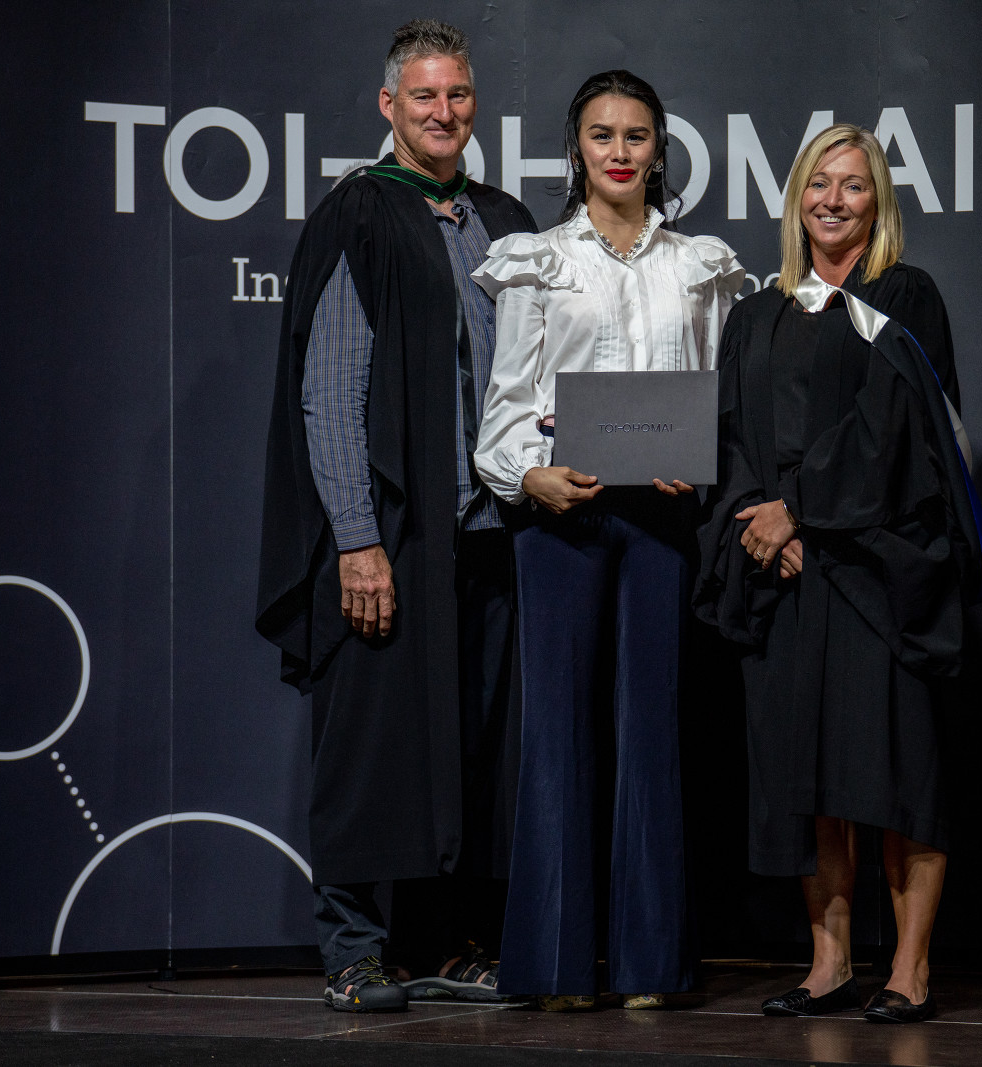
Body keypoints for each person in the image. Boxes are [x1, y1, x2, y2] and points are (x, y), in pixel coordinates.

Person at [255, 19, 537, 1014]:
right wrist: (357, 539)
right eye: (424, 96)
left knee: (467, 752)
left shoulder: (505, 221)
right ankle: (352, 947)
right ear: (389, 106)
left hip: (494, 535)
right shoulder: (359, 215)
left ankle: (439, 942)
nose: (443, 112)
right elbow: (330, 393)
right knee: (371, 746)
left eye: (456, 95)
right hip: (395, 536)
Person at [695, 123, 982, 1024]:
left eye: (854, 185)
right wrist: (760, 523)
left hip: (879, 571)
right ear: (796, 198)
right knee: (813, 782)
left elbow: (893, 427)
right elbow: (731, 438)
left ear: (878, 202)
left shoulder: (902, 295)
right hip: (784, 574)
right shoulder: (758, 313)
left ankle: (909, 967)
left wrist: (800, 509)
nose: (833, 200)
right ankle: (828, 965)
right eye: (819, 183)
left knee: (898, 777)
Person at [470, 69, 742, 1010]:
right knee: (556, 735)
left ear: (659, 149)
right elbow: (506, 407)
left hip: (662, 521)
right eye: (601, 134)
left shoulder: (700, 264)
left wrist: (696, 465)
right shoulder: (537, 261)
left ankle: (649, 966)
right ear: (576, 148)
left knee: (651, 731)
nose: (619, 151)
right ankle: (554, 965)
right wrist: (527, 476)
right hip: (561, 520)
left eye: (636, 135)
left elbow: (715, 398)